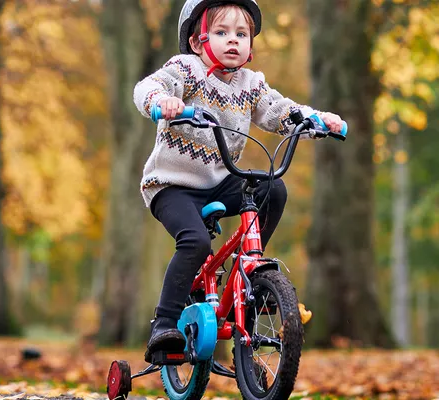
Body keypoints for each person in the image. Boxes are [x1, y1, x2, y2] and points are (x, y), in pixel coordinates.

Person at [132, 0, 345, 362]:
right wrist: (161, 101)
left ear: (250, 44)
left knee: (272, 189)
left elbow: (281, 111)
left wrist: (316, 119)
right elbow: (149, 87)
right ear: (199, 42)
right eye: (221, 32)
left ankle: (248, 284)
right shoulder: (185, 69)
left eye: (241, 34)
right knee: (196, 242)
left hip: (218, 180)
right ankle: (164, 324)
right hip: (172, 185)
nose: (233, 41)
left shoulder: (251, 85)